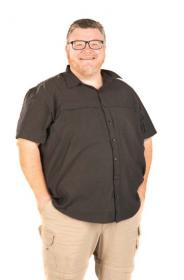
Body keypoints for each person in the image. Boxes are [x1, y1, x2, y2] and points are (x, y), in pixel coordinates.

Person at [16, 18, 156, 280]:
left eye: (95, 43)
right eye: (78, 43)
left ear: (105, 48)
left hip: (124, 216)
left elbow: (146, 141)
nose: (87, 50)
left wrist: (141, 189)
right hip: (69, 217)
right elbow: (26, 145)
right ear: (67, 49)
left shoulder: (125, 93)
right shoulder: (46, 94)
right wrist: (44, 203)